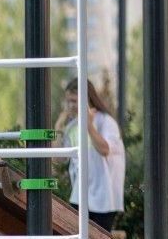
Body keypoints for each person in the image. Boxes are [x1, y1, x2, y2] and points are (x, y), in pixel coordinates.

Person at [54, 79, 126, 231]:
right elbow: (58, 158)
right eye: (68, 101)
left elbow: (104, 150)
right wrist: (58, 128)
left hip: (104, 199)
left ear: (87, 99)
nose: (70, 106)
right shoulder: (73, 126)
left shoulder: (106, 121)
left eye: (74, 101)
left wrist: (89, 125)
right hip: (80, 195)